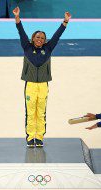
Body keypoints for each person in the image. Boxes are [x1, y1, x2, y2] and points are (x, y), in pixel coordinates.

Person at [13, 6, 71, 147]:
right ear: (33, 38)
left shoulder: (48, 48)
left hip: (44, 85)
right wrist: (17, 17)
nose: (40, 39)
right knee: (30, 111)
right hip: (31, 85)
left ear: (45, 41)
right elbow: (21, 32)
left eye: (42, 38)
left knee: (41, 112)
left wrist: (65, 22)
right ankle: (30, 136)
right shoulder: (27, 47)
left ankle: (39, 137)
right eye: (37, 37)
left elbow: (57, 36)